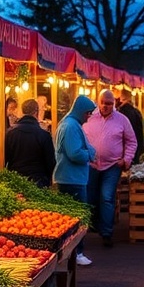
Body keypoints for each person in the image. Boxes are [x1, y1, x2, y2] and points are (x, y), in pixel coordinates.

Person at [82, 89, 138, 247]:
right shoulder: (89, 117)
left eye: (110, 104)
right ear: (97, 102)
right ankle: (91, 227)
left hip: (112, 166)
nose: (106, 106)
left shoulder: (122, 119)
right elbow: (79, 136)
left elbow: (132, 141)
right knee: (90, 197)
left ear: (114, 104)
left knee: (107, 197)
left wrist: (126, 159)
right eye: (104, 103)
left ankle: (106, 233)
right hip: (91, 165)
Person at [54, 95, 97, 266]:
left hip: (71, 177)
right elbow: (75, 153)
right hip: (71, 179)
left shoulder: (70, 123)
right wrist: (91, 155)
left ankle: (73, 252)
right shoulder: (71, 126)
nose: (89, 116)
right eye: (88, 113)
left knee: (73, 217)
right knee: (77, 218)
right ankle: (76, 252)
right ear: (81, 111)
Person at [5, 98, 56, 188]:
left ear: (23, 110)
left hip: (15, 179)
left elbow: (5, 157)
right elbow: (50, 162)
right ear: (36, 112)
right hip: (38, 180)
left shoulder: (10, 133)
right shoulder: (44, 135)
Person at [117, 89, 144, 164]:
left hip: (125, 150)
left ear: (121, 97)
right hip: (136, 147)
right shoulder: (136, 111)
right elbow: (140, 132)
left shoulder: (121, 112)